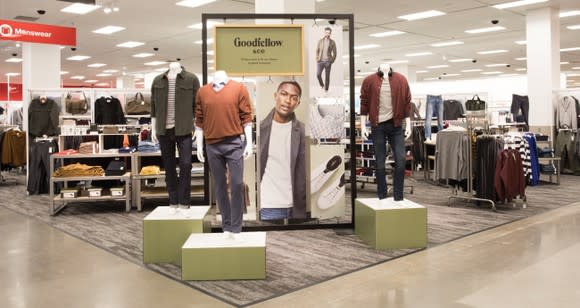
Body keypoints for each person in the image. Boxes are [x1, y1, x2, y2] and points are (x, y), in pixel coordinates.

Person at [195, 71, 253, 237]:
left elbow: (246, 117)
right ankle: (226, 226)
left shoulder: (239, 88)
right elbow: (199, 120)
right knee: (219, 186)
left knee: (236, 184)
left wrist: (249, 142)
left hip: (234, 143)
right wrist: (199, 145)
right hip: (212, 145)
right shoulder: (203, 92)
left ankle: (236, 226)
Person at [150, 62, 200, 212]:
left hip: (184, 129)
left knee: (186, 165)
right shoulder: (158, 80)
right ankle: (173, 201)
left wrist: (198, 126)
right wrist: (153, 128)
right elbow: (153, 106)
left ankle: (184, 201)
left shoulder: (191, 79)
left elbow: (197, 106)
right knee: (169, 167)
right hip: (163, 131)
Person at [359, 64, 412, 201]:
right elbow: (364, 104)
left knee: (401, 160)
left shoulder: (401, 79)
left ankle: (398, 196)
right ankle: (381, 195)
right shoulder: (369, 80)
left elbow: (407, 103)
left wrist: (409, 125)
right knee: (380, 162)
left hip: (396, 126)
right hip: (378, 126)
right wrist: (363, 126)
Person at [259, 81, 306, 220]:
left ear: (298, 103)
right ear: (275, 96)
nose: (288, 101)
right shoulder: (260, 129)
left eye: (294, 97)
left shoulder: (303, 131)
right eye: (284, 94)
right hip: (269, 205)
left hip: (297, 206)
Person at [315, 27, 337, 93]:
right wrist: (317, 58)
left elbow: (335, 53)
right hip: (320, 61)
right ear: (324, 32)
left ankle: (326, 89)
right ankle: (322, 85)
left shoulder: (332, 42)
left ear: (330, 33)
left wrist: (331, 61)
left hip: (328, 61)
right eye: (326, 32)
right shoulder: (320, 41)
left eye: (329, 33)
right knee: (318, 75)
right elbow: (317, 50)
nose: (327, 34)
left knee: (327, 76)